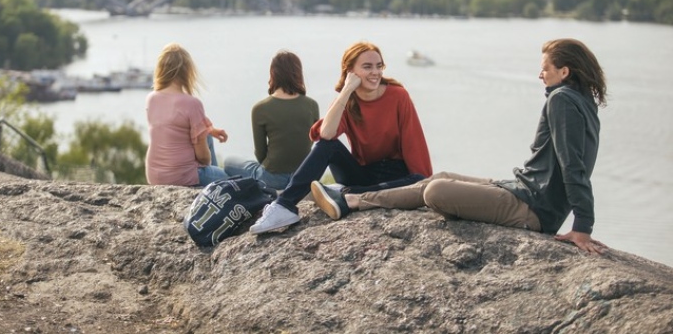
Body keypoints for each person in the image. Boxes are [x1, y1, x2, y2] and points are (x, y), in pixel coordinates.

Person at [311, 38, 608, 255]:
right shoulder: (582, 102)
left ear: (565, 72)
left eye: (546, 69)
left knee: (435, 192)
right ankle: (349, 200)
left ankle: (350, 200)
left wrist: (583, 226)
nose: (540, 74)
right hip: (521, 189)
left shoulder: (562, 101)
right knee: (439, 177)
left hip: (534, 208)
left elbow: (573, 166)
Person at [250, 41, 433, 234]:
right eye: (367, 66)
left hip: (396, 175)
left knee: (419, 179)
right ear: (350, 72)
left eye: (379, 66)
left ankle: (345, 194)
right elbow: (326, 134)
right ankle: (284, 205)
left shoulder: (398, 96)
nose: (376, 72)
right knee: (328, 145)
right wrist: (346, 91)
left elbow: (415, 144)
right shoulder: (346, 101)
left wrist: (424, 185)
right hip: (363, 174)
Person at [223, 50, 320, 190]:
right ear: (299, 73)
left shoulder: (260, 108)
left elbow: (260, 153)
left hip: (272, 179)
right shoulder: (312, 105)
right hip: (303, 176)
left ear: (273, 74)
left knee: (228, 162)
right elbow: (310, 143)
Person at [145, 43, 230, 187]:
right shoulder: (192, 104)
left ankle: (213, 185)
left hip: (155, 176)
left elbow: (170, 128)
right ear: (187, 72)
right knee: (232, 180)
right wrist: (207, 162)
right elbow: (203, 158)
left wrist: (208, 130)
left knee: (206, 136)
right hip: (182, 176)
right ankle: (215, 189)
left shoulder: (151, 99)